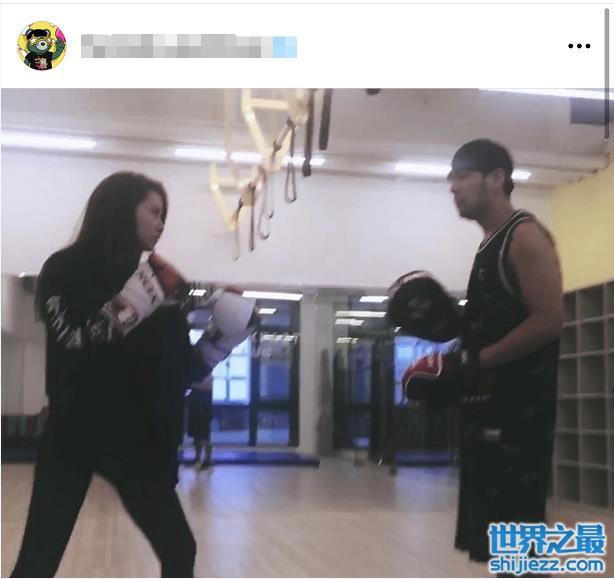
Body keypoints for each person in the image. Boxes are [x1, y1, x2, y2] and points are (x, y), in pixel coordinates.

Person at [10, 171, 256, 578]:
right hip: (74, 431)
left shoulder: (160, 286)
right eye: (154, 212)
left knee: (180, 549)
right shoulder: (65, 269)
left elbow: (183, 371)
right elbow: (71, 338)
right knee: (39, 557)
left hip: (135, 440)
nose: (161, 224)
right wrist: (137, 299)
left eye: (164, 215)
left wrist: (223, 338)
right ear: (122, 209)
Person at [397, 139, 564, 564]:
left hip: (518, 422)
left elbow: (549, 320)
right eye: (450, 178)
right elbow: (502, 321)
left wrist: (472, 361)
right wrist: (453, 337)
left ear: (496, 178)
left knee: (521, 549)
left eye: (462, 176)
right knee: (498, 548)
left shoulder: (524, 236)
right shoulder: (491, 241)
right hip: (489, 413)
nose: (453, 187)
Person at [186, 375, 214, 469]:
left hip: (203, 410)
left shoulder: (208, 376)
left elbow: (205, 386)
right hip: (196, 409)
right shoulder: (198, 376)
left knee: (204, 436)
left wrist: (191, 384)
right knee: (196, 436)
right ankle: (197, 458)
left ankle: (208, 459)